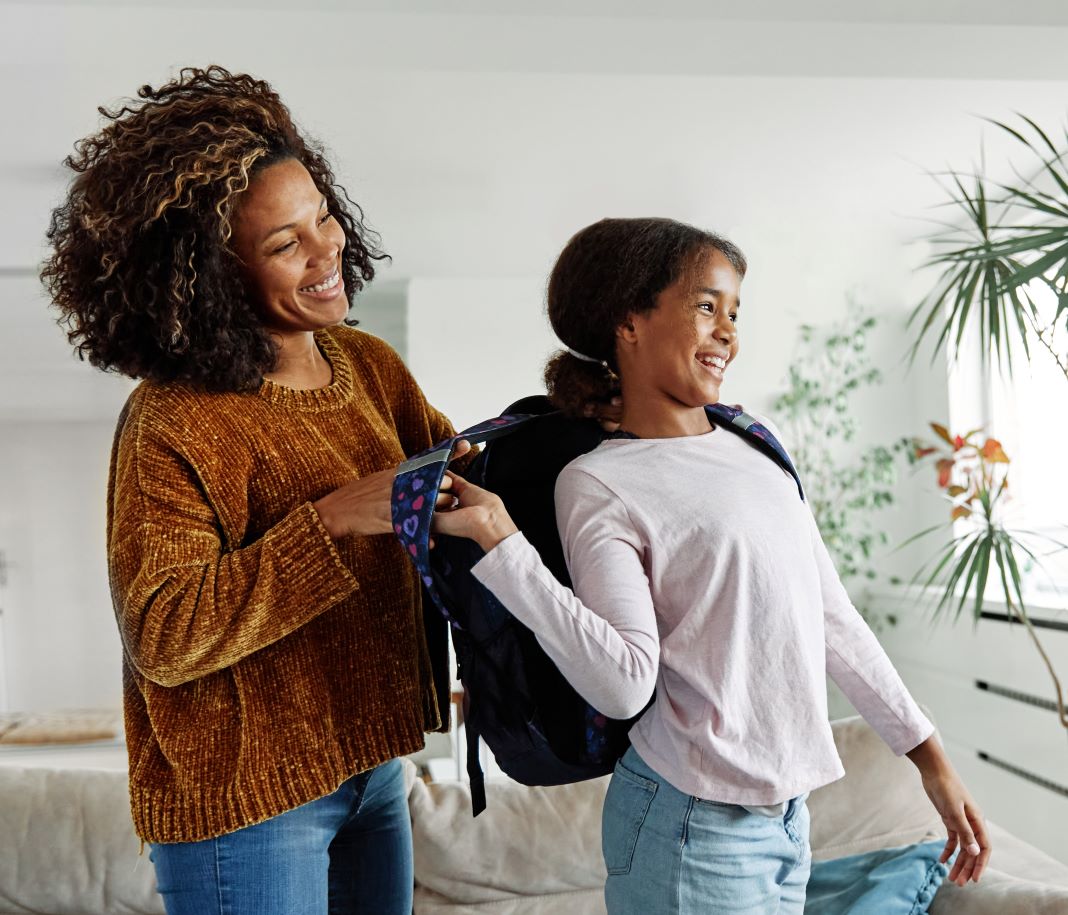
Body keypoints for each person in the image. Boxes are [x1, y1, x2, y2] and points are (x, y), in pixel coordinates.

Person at [430, 217, 991, 913]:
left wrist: (930, 761)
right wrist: (500, 540)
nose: (727, 330)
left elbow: (831, 617)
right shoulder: (600, 482)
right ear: (628, 321)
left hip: (790, 821)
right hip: (688, 828)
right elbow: (623, 684)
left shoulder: (756, 443)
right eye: (705, 306)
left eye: (733, 311)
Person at [41, 65, 476, 915]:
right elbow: (165, 631)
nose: (326, 250)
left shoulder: (369, 367)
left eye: (322, 216)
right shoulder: (172, 418)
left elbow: (457, 482)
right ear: (215, 276)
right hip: (245, 808)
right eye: (285, 244)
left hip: (373, 772)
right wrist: (334, 521)